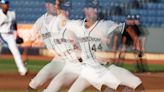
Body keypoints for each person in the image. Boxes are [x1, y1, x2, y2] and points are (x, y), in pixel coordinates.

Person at [66, 0, 143, 92]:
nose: (93, 11)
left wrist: (135, 40)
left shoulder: (104, 25)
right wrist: (73, 43)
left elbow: (126, 27)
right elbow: (64, 26)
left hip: (104, 67)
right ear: (85, 10)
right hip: (87, 70)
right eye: (91, 8)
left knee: (128, 84)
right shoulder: (77, 25)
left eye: (95, 9)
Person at [43, 0, 82, 92]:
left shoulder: (70, 24)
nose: (67, 12)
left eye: (68, 10)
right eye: (65, 10)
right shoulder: (58, 21)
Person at [27, 0, 66, 91]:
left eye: (58, 4)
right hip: (59, 59)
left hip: (72, 58)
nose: (56, 6)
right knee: (35, 82)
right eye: (54, 4)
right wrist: (25, 54)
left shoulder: (63, 18)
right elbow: (31, 37)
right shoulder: (41, 21)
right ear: (47, 5)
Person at [0, 0, 27, 76]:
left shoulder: (12, 14)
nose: (5, 5)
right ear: (1, 5)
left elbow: (14, 25)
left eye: (7, 4)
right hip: (1, 35)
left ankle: (22, 69)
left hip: (10, 35)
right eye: (4, 4)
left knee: (16, 52)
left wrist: (17, 35)